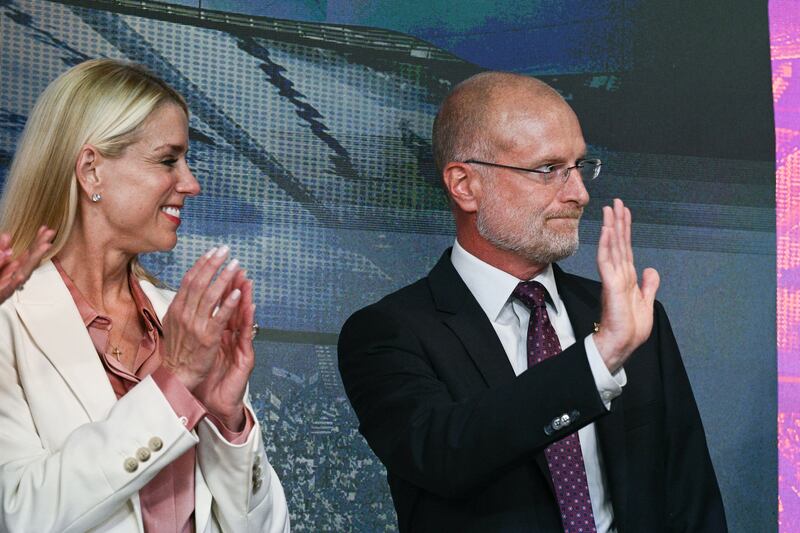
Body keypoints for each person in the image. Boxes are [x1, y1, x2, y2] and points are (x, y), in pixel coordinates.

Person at [338, 72, 726, 532]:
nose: (579, 193)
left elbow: (689, 495)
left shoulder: (631, 317)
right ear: (465, 185)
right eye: (548, 169)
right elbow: (444, 455)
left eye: (581, 166)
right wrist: (598, 360)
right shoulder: (388, 332)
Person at [0, 59, 290, 532]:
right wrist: (172, 382)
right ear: (91, 171)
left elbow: (268, 525)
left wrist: (228, 419)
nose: (191, 183)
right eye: (167, 160)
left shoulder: (184, 321)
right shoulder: (9, 320)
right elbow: (20, 515)